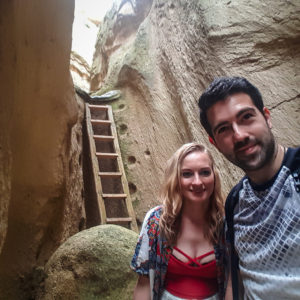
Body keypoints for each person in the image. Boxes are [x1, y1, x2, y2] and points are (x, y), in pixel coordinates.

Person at [198, 76, 300, 299]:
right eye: (224, 129)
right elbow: (237, 278)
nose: (239, 135)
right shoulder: (235, 201)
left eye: (246, 117)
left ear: (266, 117)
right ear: (214, 142)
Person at [131, 142, 231, 300]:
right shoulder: (156, 221)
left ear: (214, 176)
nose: (197, 182)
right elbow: (143, 284)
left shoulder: (227, 224)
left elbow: (233, 284)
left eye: (205, 172)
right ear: (175, 178)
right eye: (187, 174)